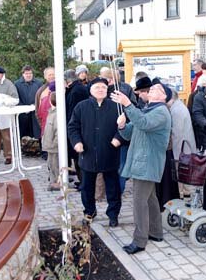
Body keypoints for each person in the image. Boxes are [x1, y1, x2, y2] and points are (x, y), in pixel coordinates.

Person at [111, 82, 171, 254]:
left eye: (156, 89)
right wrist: (122, 126)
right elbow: (130, 132)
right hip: (142, 162)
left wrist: (127, 105)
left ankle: (139, 241)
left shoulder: (161, 112)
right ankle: (155, 232)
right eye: (151, 89)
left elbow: (143, 123)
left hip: (147, 163)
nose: (151, 90)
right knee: (150, 199)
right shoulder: (148, 109)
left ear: (164, 96)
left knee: (139, 202)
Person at [68, 77, 122, 227]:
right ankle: (89, 212)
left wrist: (119, 138)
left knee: (113, 188)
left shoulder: (115, 107)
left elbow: (125, 126)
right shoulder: (81, 106)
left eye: (103, 87)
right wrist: (77, 142)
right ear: (90, 90)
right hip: (88, 154)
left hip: (109, 152)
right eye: (97, 87)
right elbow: (73, 127)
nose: (100, 90)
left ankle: (113, 214)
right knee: (86, 188)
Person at [170, 88, 196, 199]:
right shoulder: (178, 106)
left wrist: (174, 155)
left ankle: (185, 200)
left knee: (183, 179)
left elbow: (177, 134)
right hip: (185, 149)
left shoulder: (177, 110)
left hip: (182, 150)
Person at [64, 69, 89, 186]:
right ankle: (82, 181)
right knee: (77, 156)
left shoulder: (75, 91)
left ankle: (83, 182)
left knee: (78, 156)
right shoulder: (77, 88)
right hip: (80, 125)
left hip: (77, 127)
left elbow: (72, 111)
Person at [15, 65, 42, 139]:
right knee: (22, 132)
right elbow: (16, 98)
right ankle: (23, 148)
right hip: (22, 113)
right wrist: (23, 108)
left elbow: (41, 96)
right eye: (26, 73)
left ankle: (38, 148)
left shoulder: (38, 83)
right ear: (23, 74)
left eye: (30, 73)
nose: (28, 75)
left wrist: (34, 105)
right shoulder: (17, 84)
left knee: (37, 132)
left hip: (35, 111)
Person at [41, 91, 59, 191]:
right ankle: (53, 181)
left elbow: (57, 133)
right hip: (50, 146)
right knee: (51, 165)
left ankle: (57, 183)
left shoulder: (56, 115)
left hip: (54, 147)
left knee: (55, 166)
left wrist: (54, 144)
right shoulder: (51, 112)